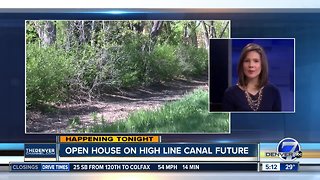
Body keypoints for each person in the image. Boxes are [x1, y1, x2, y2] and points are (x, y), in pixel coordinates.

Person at [222, 43, 281, 111]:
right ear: (242, 64)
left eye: (256, 61)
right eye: (247, 61)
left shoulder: (273, 92)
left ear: (262, 64)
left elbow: (278, 121)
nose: (251, 65)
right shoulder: (230, 94)